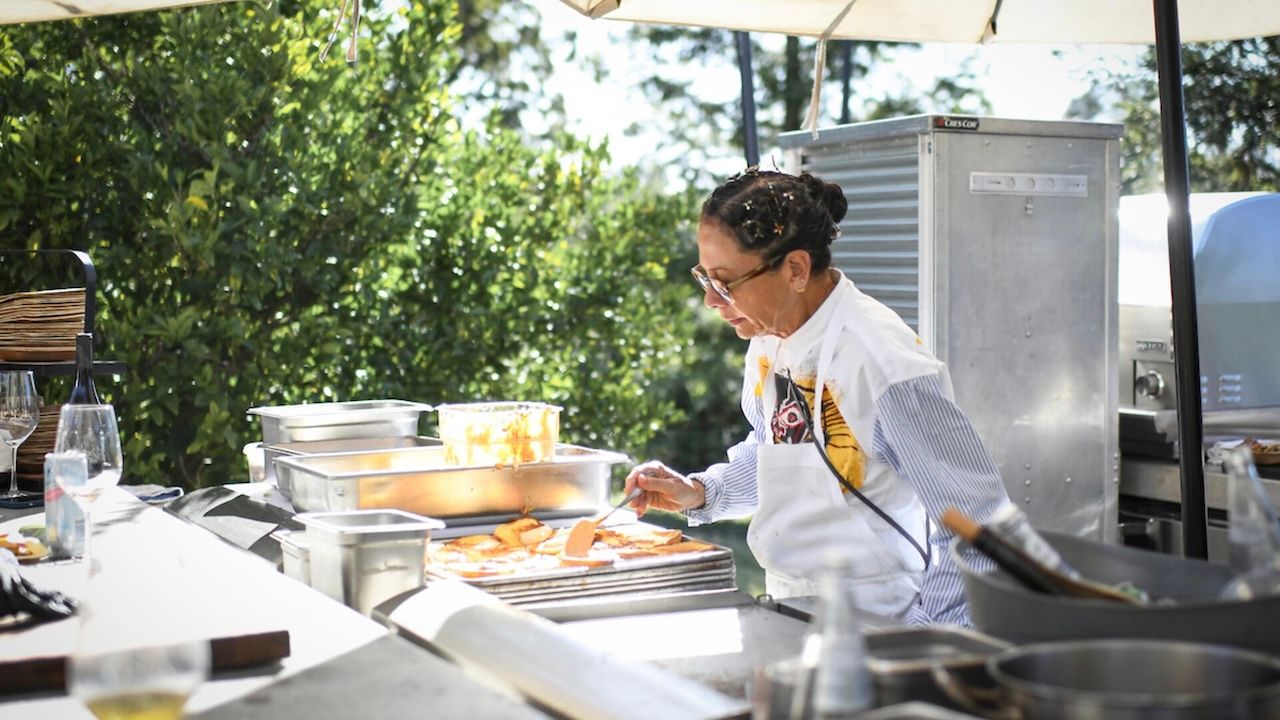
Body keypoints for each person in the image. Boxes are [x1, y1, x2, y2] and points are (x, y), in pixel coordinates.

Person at [624, 168, 1010, 626]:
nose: (711, 301)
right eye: (704, 279)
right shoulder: (769, 338)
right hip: (791, 609)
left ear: (796, 269)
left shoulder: (884, 363)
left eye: (725, 283)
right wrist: (703, 492)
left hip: (884, 625)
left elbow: (978, 527)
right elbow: (779, 449)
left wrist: (934, 646)